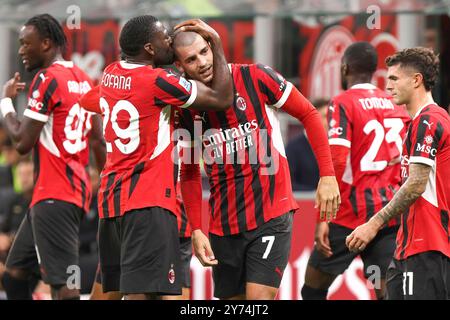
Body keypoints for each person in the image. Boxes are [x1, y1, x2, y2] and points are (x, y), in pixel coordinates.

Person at [172, 30, 340, 300]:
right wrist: (197, 229)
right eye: (191, 59)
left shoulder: (256, 77)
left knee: (258, 299)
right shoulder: (187, 107)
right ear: (180, 66)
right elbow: (190, 171)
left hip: (270, 214)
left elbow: (308, 113)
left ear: (214, 47)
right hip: (223, 224)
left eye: (205, 51)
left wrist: (328, 175)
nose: (202, 62)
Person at [82, 16, 233, 300]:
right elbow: (221, 98)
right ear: (150, 48)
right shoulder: (160, 82)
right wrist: (216, 41)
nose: (171, 41)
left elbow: (88, 101)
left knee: (113, 293)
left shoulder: (110, 73)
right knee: (148, 295)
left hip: (111, 203)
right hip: (148, 204)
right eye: (166, 38)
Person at [0, 14, 105, 300]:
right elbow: (98, 139)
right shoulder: (85, 81)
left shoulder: (46, 79)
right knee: (14, 276)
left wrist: (5, 102)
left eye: (25, 43)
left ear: (46, 43)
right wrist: (107, 183)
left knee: (65, 286)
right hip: (67, 193)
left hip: (55, 196)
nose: (21, 50)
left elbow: (21, 142)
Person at [301, 42, 410, 300]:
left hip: (348, 213)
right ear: (374, 71)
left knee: (312, 289)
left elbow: (337, 161)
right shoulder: (395, 102)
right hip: (388, 213)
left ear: (345, 68)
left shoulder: (342, 102)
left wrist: (323, 219)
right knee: (387, 292)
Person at [347, 47, 450, 300]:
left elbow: (416, 185)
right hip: (406, 247)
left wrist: (374, 223)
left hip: (428, 247)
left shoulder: (430, 119)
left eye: (394, 79)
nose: (388, 86)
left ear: (416, 80)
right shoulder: (417, 123)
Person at [286, 98, 329, 191]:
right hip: (303, 202)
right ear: (313, 119)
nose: (330, 121)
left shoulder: (333, 146)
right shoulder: (293, 148)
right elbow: (288, 184)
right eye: (326, 116)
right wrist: (315, 193)